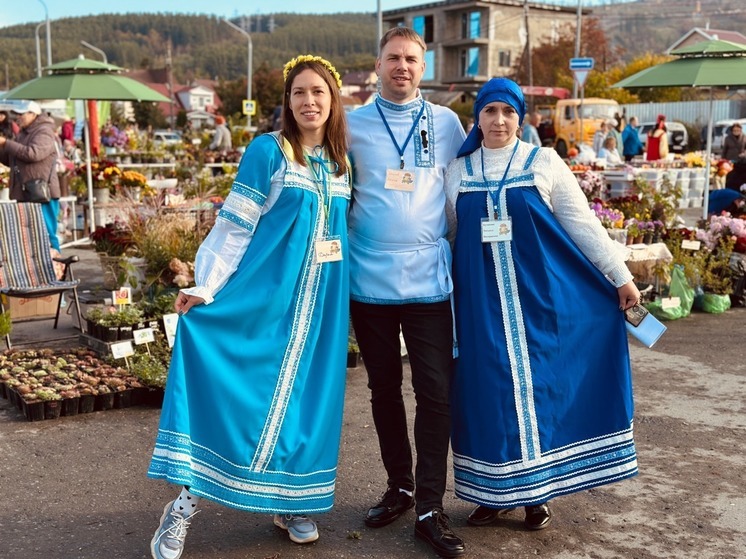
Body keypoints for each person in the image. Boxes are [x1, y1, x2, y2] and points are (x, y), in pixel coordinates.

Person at [147, 54, 351, 559]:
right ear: (287, 101)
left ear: (333, 101)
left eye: (318, 92)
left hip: (322, 309)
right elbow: (234, 227)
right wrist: (207, 287)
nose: (309, 101)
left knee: (307, 406)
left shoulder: (342, 162)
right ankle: (183, 506)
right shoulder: (271, 152)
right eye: (300, 92)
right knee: (249, 399)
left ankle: (291, 501)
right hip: (268, 300)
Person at [444, 77, 640, 533]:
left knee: (540, 392)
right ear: (478, 117)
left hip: (539, 302)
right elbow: (450, 236)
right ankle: (492, 495)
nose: (498, 121)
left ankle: (538, 497)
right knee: (487, 394)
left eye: (507, 112)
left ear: (520, 118)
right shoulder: (459, 172)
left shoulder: (543, 162)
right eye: (490, 112)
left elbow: (582, 224)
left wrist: (620, 276)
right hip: (481, 306)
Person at [346, 26, 467, 558]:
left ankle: (430, 506)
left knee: (436, 393)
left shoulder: (446, 123)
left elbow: (461, 193)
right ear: (377, 64)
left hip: (428, 281)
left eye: (412, 59)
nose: (402, 66)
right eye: (393, 57)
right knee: (383, 390)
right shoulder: (348, 125)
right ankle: (399, 486)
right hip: (368, 281)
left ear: (425, 66)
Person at [0, 100, 62, 250]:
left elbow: (33, 154)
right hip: (26, 191)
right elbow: (13, 160)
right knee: (30, 239)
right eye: (16, 114)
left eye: (21, 114)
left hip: (41, 192)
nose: (17, 118)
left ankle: (58, 270)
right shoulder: (23, 133)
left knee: (47, 235)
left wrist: (6, 143)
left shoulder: (44, 131)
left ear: (33, 114)